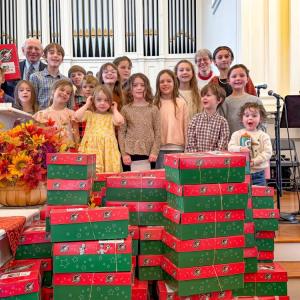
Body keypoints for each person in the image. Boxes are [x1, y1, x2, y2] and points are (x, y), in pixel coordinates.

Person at [75, 85, 124, 173]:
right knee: (91, 174)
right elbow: (76, 117)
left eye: (106, 100)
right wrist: (87, 104)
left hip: (107, 150)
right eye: (99, 100)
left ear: (111, 102)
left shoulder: (111, 116)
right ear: (93, 101)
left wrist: (115, 109)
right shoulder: (89, 114)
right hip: (91, 148)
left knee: (108, 174)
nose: (102, 103)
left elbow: (120, 121)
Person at [118, 73, 161, 171]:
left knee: (148, 182)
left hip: (149, 154)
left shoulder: (153, 109)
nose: (139, 88)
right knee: (131, 182)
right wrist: (124, 154)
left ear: (147, 88)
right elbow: (121, 133)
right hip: (130, 154)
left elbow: (158, 132)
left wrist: (154, 152)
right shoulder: (125, 109)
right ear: (130, 88)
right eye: (135, 85)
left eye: (142, 85)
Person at [228, 102, 272, 186]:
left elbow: (268, 152)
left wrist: (254, 161)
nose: (250, 118)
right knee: (242, 196)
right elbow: (230, 147)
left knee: (259, 196)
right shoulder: (236, 134)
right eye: (247, 115)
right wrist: (240, 149)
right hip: (241, 173)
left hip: (259, 174)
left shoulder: (264, 136)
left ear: (261, 119)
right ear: (242, 118)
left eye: (254, 116)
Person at [154, 69, 188, 169]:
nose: (165, 84)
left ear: (174, 83)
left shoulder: (181, 103)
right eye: (162, 82)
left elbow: (186, 126)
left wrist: (187, 148)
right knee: (161, 179)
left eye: (169, 81)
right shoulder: (153, 103)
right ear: (157, 85)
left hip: (178, 149)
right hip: (158, 149)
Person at [219, 64, 265, 135]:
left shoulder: (255, 101)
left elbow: (263, 124)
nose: (238, 78)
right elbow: (221, 127)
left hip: (253, 143)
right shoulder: (224, 103)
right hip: (232, 144)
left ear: (247, 79)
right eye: (234, 76)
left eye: (242, 75)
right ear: (228, 80)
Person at [33, 79, 79, 147]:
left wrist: (78, 148)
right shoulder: (42, 114)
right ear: (53, 91)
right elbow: (39, 137)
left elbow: (76, 134)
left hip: (69, 151)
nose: (64, 93)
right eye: (62, 90)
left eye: (68, 93)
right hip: (50, 151)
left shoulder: (71, 114)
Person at [185, 83, 230, 152]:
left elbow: (222, 144)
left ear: (219, 100)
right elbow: (191, 141)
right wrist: (198, 157)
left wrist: (211, 157)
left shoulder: (222, 122)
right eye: (202, 96)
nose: (204, 98)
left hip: (215, 160)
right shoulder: (195, 119)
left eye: (208, 95)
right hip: (195, 159)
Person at [31, 43, 68, 110]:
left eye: (59, 54)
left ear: (62, 59)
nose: (55, 55)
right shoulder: (35, 77)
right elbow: (32, 101)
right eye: (51, 53)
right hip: (41, 117)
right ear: (45, 57)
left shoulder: (66, 80)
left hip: (61, 117)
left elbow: (69, 104)